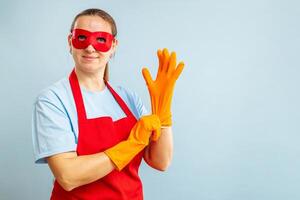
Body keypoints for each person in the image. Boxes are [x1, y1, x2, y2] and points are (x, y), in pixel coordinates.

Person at [32, 8, 184, 199]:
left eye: (101, 40)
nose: (90, 47)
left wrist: (163, 115)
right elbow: (68, 176)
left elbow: (161, 161)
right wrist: (131, 144)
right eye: (82, 38)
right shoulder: (53, 99)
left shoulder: (128, 98)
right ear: (70, 42)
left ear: (113, 46)